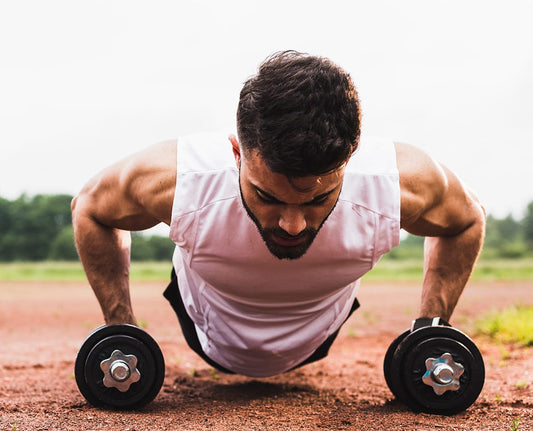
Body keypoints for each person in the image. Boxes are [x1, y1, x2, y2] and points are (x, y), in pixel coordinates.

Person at [71, 50, 485, 378]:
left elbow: (468, 220)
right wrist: (120, 329)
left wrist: (431, 327)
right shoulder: (181, 180)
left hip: (319, 333)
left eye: (317, 201)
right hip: (207, 331)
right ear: (236, 153)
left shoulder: (394, 185)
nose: (292, 224)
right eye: (267, 195)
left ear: (350, 158)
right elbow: (90, 208)